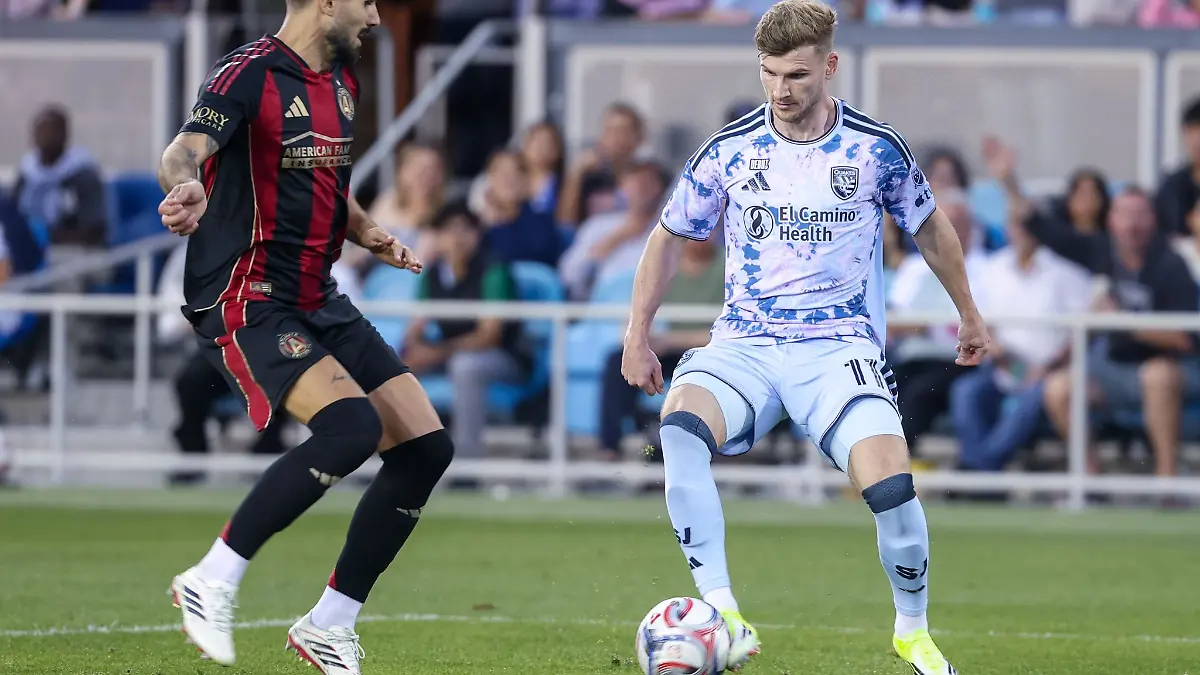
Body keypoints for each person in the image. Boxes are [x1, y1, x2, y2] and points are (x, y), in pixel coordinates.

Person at [619, 2, 987, 673]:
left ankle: (912, 629)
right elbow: (667, 238)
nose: (781, 90)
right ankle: (725, 614)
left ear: (829, 65)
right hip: (745, 345)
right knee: (678, 427)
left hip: (839, 350)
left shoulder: (875, 148)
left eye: (796, 74)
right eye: (769, 73)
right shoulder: (730, 150)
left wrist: (968, 311)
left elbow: (930, 227)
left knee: (891, 488)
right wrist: (636, 333)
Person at [155, 3, 454, 672]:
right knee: (351, 428)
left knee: (426, 449)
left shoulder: (342, 82)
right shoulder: (249, 73)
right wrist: (184, 189)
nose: (374, 16)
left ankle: (329, 624)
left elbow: (326, 184)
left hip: (318, 295)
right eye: (365, 1)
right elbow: (183, 151)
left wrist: (367, 231)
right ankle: (212, 577)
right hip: (249, 294)